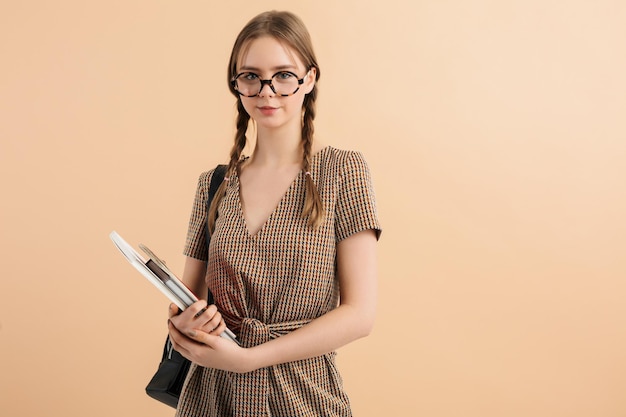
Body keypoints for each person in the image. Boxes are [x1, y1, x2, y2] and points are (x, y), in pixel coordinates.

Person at [167, 10, 381, 417]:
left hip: (302, 394)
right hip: (212, 396)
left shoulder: (342, 171)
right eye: (250, 76)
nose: (266, 91)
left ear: (310, 78)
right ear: (236, 84)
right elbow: (186, 301)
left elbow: (359, 315)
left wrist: (250, 359)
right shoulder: (214, 184)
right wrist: (183, 327)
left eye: (283, 75)